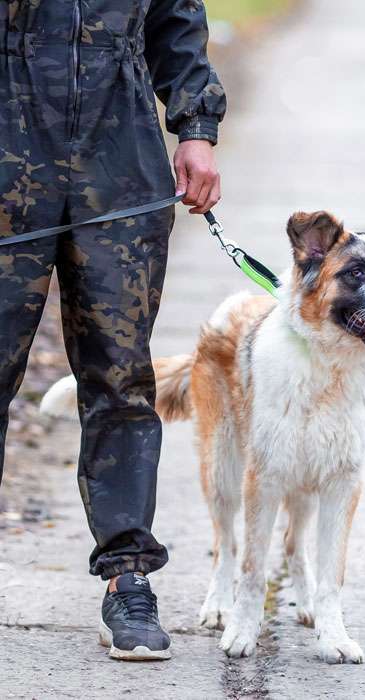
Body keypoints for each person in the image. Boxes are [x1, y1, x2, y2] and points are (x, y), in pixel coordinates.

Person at [0, 0, 225, 660]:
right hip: (9, 144)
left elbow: (177, 26)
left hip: (120, 158)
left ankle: (128, 578)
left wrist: (196, 130)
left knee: (121, 378)